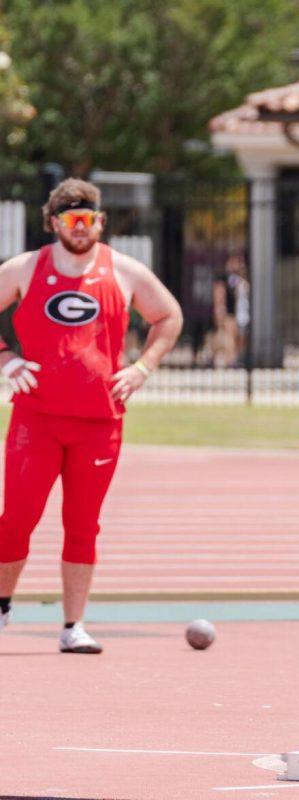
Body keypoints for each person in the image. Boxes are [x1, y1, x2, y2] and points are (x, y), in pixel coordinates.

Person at [0, 179, 182, 653]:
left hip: (100, 423)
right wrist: (6, 359)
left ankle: (72, 626)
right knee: (17, 519)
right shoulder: (24, 268)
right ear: (53, 223)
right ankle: (1, 604)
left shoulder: (123, 270)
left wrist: (143, 368)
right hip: (35, 420)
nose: (80, 230)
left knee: (83, 524)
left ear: (101, 222)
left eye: (88, 220)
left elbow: (169, 316)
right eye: (70, 221)